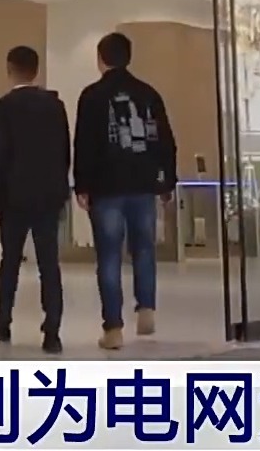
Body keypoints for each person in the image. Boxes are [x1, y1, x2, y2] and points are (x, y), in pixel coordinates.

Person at [72, 32, 177, 350]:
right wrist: (166, 182)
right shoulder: (148, 94)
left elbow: (84, 144)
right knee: (144, 248)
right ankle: (146, 308)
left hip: (106, 188)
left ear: (100, 59)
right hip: (143, 185)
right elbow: (165, 141)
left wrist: (82, 184)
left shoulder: (92, 96)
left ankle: (114, 328)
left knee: (108, 255)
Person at [0, 45, 71, 354]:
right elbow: (64, 152)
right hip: (47, 196)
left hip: (13, 197)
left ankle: (4, 318)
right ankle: (52, 331)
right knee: (49, 264)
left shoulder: (2, 109)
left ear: (9, 69)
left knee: (10, 261)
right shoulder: (55, 107)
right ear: (36, 70)